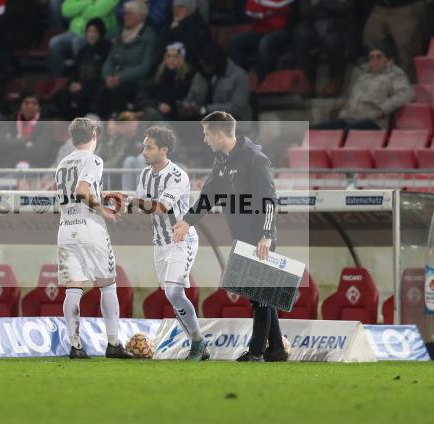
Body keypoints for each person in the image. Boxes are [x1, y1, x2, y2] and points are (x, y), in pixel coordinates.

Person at [172, 112, 283, 362]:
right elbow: (209, 194)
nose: (204, 139)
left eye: (206, 134)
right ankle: (276, 348)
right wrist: (187, 221)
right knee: (259, 294)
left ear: (219, 134)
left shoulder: (255, 158)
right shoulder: (221, 159)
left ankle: (256, 352)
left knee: (260, 295)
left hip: (259, 237)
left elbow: (270, 200)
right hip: (240, 235)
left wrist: (266, 235)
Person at [54, 117, 133, 359]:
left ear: (72, 137)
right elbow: (82, 191)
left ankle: (75, 346)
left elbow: (76, 190)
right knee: (107, 284)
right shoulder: (94, 159)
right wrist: (104, 210)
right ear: (95, 135)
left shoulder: (62, 163)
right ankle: (113, 343)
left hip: (66, 228)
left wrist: (104, 193)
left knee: (73, 288)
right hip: (90, 228)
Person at [131, 125, 209, 360]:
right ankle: (198, 343)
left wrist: (131, 201)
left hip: (181, 240)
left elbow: (162, 208)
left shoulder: (177, 175)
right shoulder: (145, 174)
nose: (144, 151)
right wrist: (134, 202)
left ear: (163, 150)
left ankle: (197, 342)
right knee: (171, 295)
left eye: (149, 147)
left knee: (175, 293)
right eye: (144, 146)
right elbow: (145, 208)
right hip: (160, 242)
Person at [291, 0, 356, 97]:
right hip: (314, 24)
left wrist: (319, 2)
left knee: (332, 41)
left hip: (338, 26)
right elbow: (305, 8)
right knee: (301, 35)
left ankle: (336, 77)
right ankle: (307, 79)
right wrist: (332, 4)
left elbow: (345, 7)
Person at [48, 0, 122, 77]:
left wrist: (77, 8)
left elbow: (98, 12)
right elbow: (65, 10)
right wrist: (87, 2)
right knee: (54, 43)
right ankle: (55, 81)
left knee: (78, 42)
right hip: (76, 30)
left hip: (102, 31)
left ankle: (82, 79)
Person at [315, 43, 412, 130]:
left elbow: (406, 94)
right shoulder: (362, 75)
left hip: (372, 122)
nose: (375, 60)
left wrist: (382, 111)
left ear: (388, 60)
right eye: (371, 57)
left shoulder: (394, 74)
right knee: (313, 130)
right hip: (349, 119)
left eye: (379, 57)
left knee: (346, 133)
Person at [97, 0, 160, 118]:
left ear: (141, 17)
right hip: (115, 78)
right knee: (102, 90)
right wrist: (107, 76)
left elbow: (144, 67)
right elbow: (110, 59)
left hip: (135, 81)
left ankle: (119, 125)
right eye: (125, 13)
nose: (125, 16)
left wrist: (120, 78)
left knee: (118, 92)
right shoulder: (120, 33)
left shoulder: (148, 37)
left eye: (129, 14)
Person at [184, 44, 251, 121]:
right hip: (205, 124)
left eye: (208, 64)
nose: (205, 67)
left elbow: (238, 108)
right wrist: (186, 107)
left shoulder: (239, 76)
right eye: (203, 64)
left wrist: (205, 109)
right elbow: (191, 97)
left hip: (233, 125)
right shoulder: (200, 75)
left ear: (218, 62)